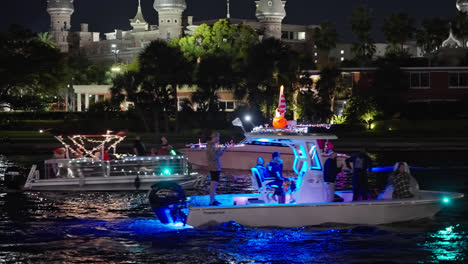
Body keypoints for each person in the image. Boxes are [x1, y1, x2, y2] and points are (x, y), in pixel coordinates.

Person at [206, 132, 227, 206]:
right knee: (213, 184)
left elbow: (216, 156)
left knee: (215, 184)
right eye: (217, 137)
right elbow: (214, 157)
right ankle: (212, 201)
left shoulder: (213, 145)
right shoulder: (210, 146)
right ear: (214, 137)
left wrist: (222, 150)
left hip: (216, 167)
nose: (218, 139)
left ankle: (213, 199)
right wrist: (220, 150)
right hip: (213, 167)